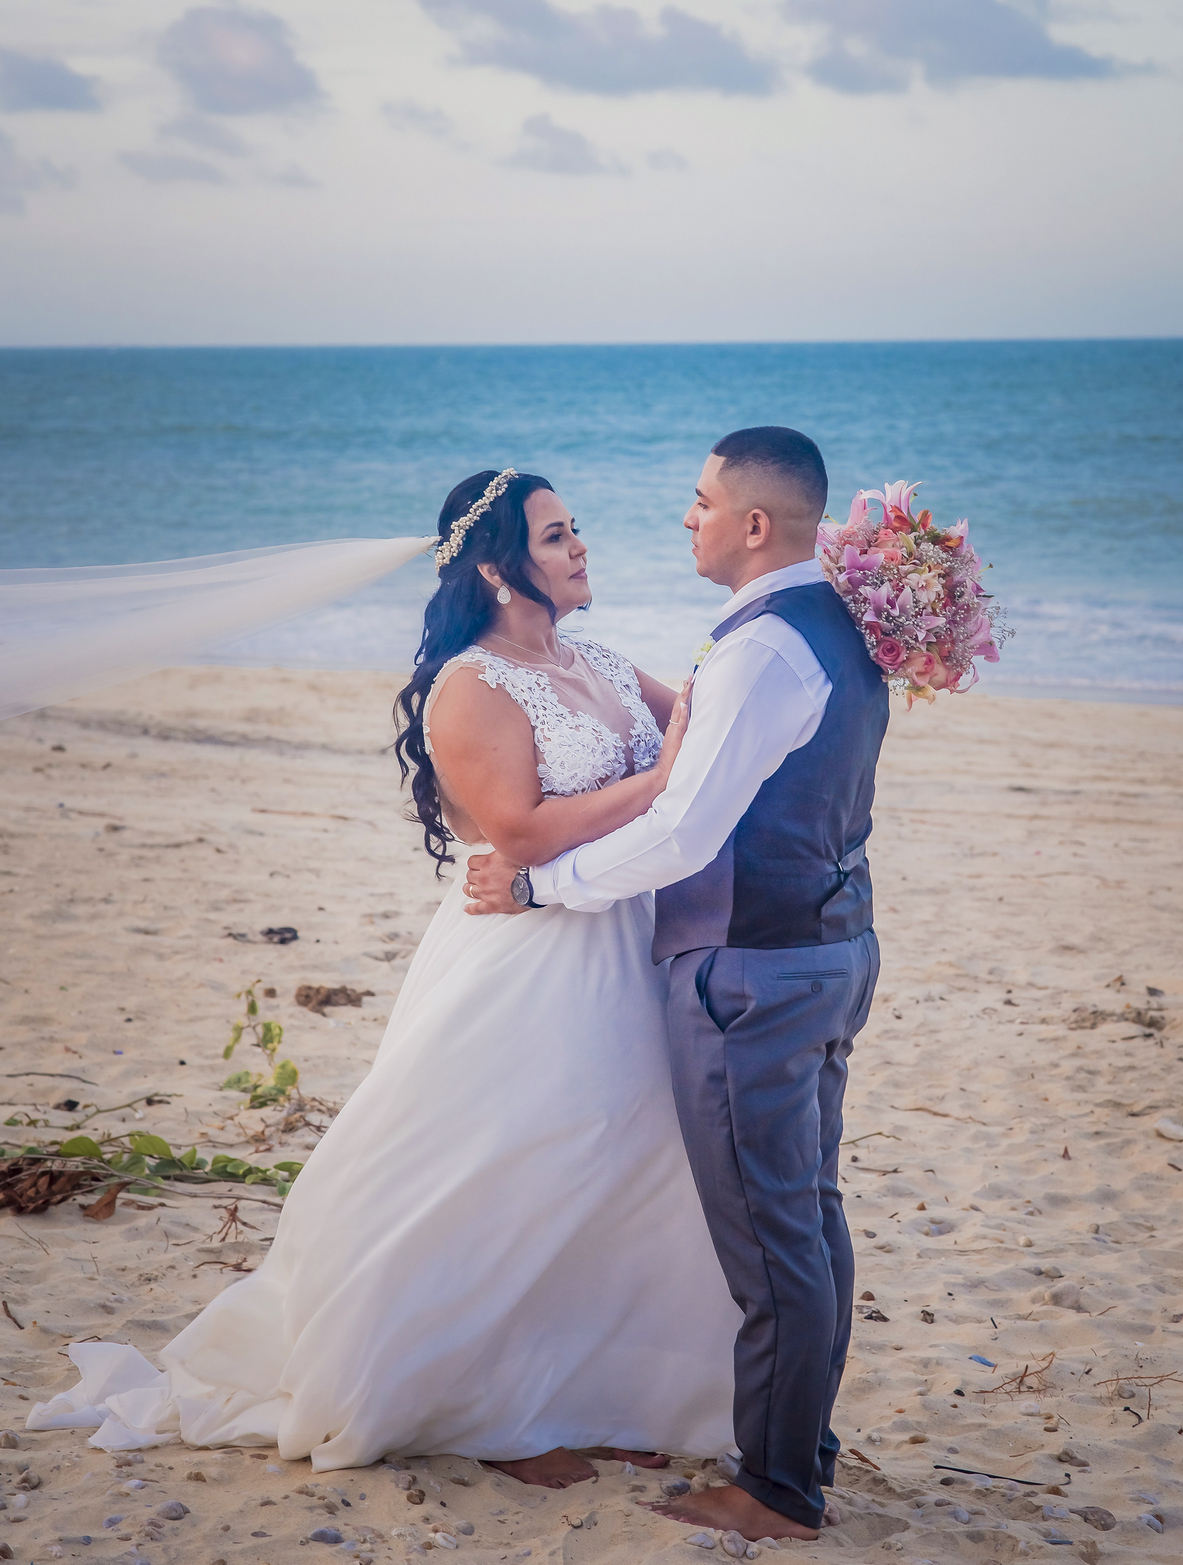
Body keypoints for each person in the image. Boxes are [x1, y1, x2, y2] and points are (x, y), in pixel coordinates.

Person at [28, 467, 742, 1484]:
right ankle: (453, 1387)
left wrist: (831, 614)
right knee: (504, 1164)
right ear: (498, 566)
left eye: (575, 527)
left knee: (619, 1167)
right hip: (530, 964)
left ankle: (589, 1389)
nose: (580, 545)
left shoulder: (598, 658)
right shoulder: (470, 684)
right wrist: (662, 778)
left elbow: (710, 722)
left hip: (632, 948)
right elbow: (520, 831)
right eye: (554, 535)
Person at [464, 428, 890, 1541]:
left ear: (754, 524)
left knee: (772, 1236)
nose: (683, 519)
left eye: (699, 502)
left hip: (751, 971)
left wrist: (544, 889)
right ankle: (806, 1445)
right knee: (810, 1212)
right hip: (832, 947)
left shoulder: (757, 652)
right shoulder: (836, 623)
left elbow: (684, 833)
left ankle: (780, 1486)